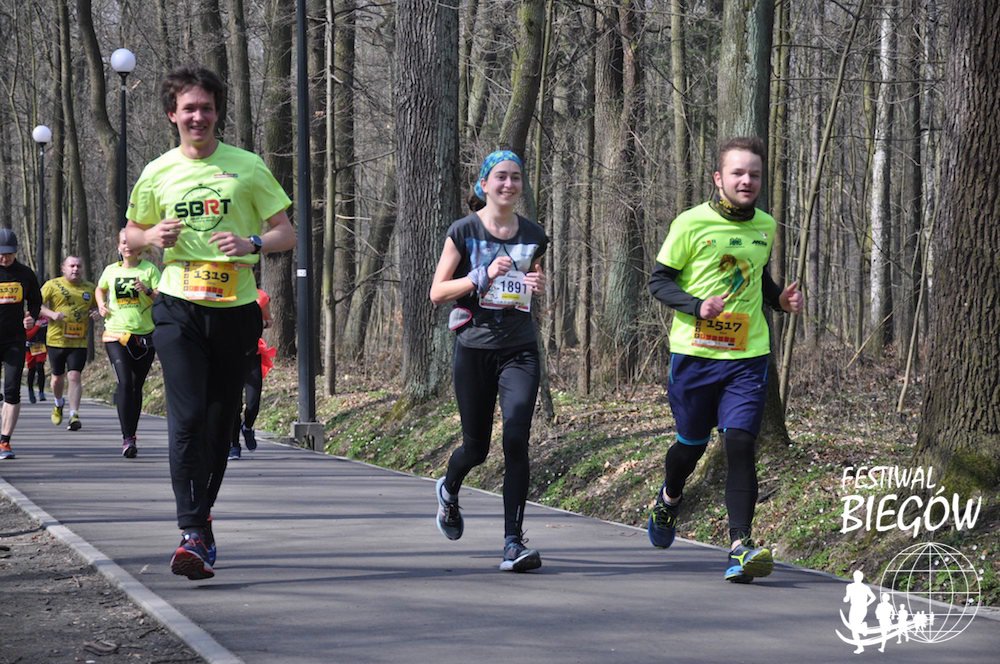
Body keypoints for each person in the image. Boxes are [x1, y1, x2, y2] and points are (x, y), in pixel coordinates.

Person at [125, 66, 294, 581]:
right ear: (171, 115)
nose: (198, 116)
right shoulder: (157, 171)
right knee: (187, 416)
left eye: (206, 107)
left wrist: (252, 243)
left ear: (218, 112)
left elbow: (286, 232)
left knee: (220, 423)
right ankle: (192, 532)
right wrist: (150, 236)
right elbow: (130, 236)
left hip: (236, 307)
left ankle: (202, 521)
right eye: (188, 108)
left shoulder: (247, 166)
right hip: (177, 304)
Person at [646, 136, 803, 583]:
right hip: (694, 355)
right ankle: (669, 498)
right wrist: (697, 306)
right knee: (691, 445)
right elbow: (659, 282)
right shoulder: (690, 223)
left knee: (740, 443)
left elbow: (757, 278)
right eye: (737, 173)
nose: (746, 180)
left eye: (754, 174)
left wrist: (779, 301)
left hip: (747, 355)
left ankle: (740, 546)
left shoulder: (765, 226)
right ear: (719, 178)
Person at [429, 149, 547, 573]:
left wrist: (536, 282)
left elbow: (529, 282)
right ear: (484, 184)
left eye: (515, 177)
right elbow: (437, 292)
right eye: (500, 177)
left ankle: (513, 543)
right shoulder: (463, 231)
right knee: (476, 448)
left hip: (519, 347)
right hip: (475, 347)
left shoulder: (534, 234)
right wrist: (481, 276)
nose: (509, 184)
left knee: (516, 437)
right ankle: (449, 488)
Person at [96, 230, 161, 459]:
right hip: (116, 333)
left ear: (140, 247)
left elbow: (163, 298)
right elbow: (100, 288)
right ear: (118, 246)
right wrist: (101, 304)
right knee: (125, 382)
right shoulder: (110, 271)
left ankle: (132, 433)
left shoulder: (149, 270)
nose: (127, 247)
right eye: (123, 243)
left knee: (136, 386)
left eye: (132, 243)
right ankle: (127, 438)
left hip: (144, 335)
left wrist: (147, 290)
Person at [40, 256, 100, 431]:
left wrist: (97, 312)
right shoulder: (52, 285)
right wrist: (52, 314)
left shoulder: (90, 288)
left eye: (78, 266)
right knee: (57, 379)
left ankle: (74, 414)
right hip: (56, 339)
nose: (75, 269)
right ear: (63, 268)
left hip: (79, 341)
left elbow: (99, 306)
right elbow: (37, 305)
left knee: (74, 376)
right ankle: (58, 403)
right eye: (72, 266)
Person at [0, 229, 42, 460]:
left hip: (14, 340)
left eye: (8, 253)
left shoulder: (25, 274)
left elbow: (35, 301)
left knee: (12, 389)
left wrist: (31, 317)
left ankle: (5, 441)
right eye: (0, 253)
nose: (3, 258)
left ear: (15, 252)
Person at [228, 288, 275, 461]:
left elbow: (269, 321)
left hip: (253, 355)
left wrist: (256, 323)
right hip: (231, 356)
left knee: (253, 403)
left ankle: (247, 427)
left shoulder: (260, 297)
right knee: (234, 405)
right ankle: (234, 445)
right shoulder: (226, 295)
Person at [24, 316, 48, 403]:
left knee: (40, 367)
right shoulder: (28, 318)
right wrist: (37, 326)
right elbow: (27, 335)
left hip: (40, 346)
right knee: (32, 369)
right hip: (29, 347)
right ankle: (31, 392)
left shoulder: (45, 319)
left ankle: (41, 392)